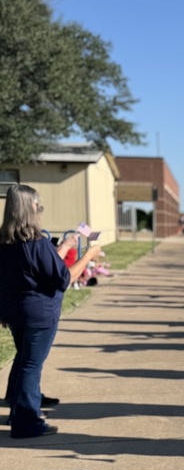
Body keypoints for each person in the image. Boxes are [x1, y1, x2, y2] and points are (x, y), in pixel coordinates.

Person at [0, 185, 101, 438]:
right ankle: (26, 422)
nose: (40, 210)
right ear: (29, 209)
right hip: (39, 313)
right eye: (38, 205)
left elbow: (38, 267)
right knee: (31, 366)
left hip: (16, 312)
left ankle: (20, 408)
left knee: (25, 360)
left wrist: (65, 247)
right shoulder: (37, 243)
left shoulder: (6, 242)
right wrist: (89, 254)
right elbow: (64, 279)